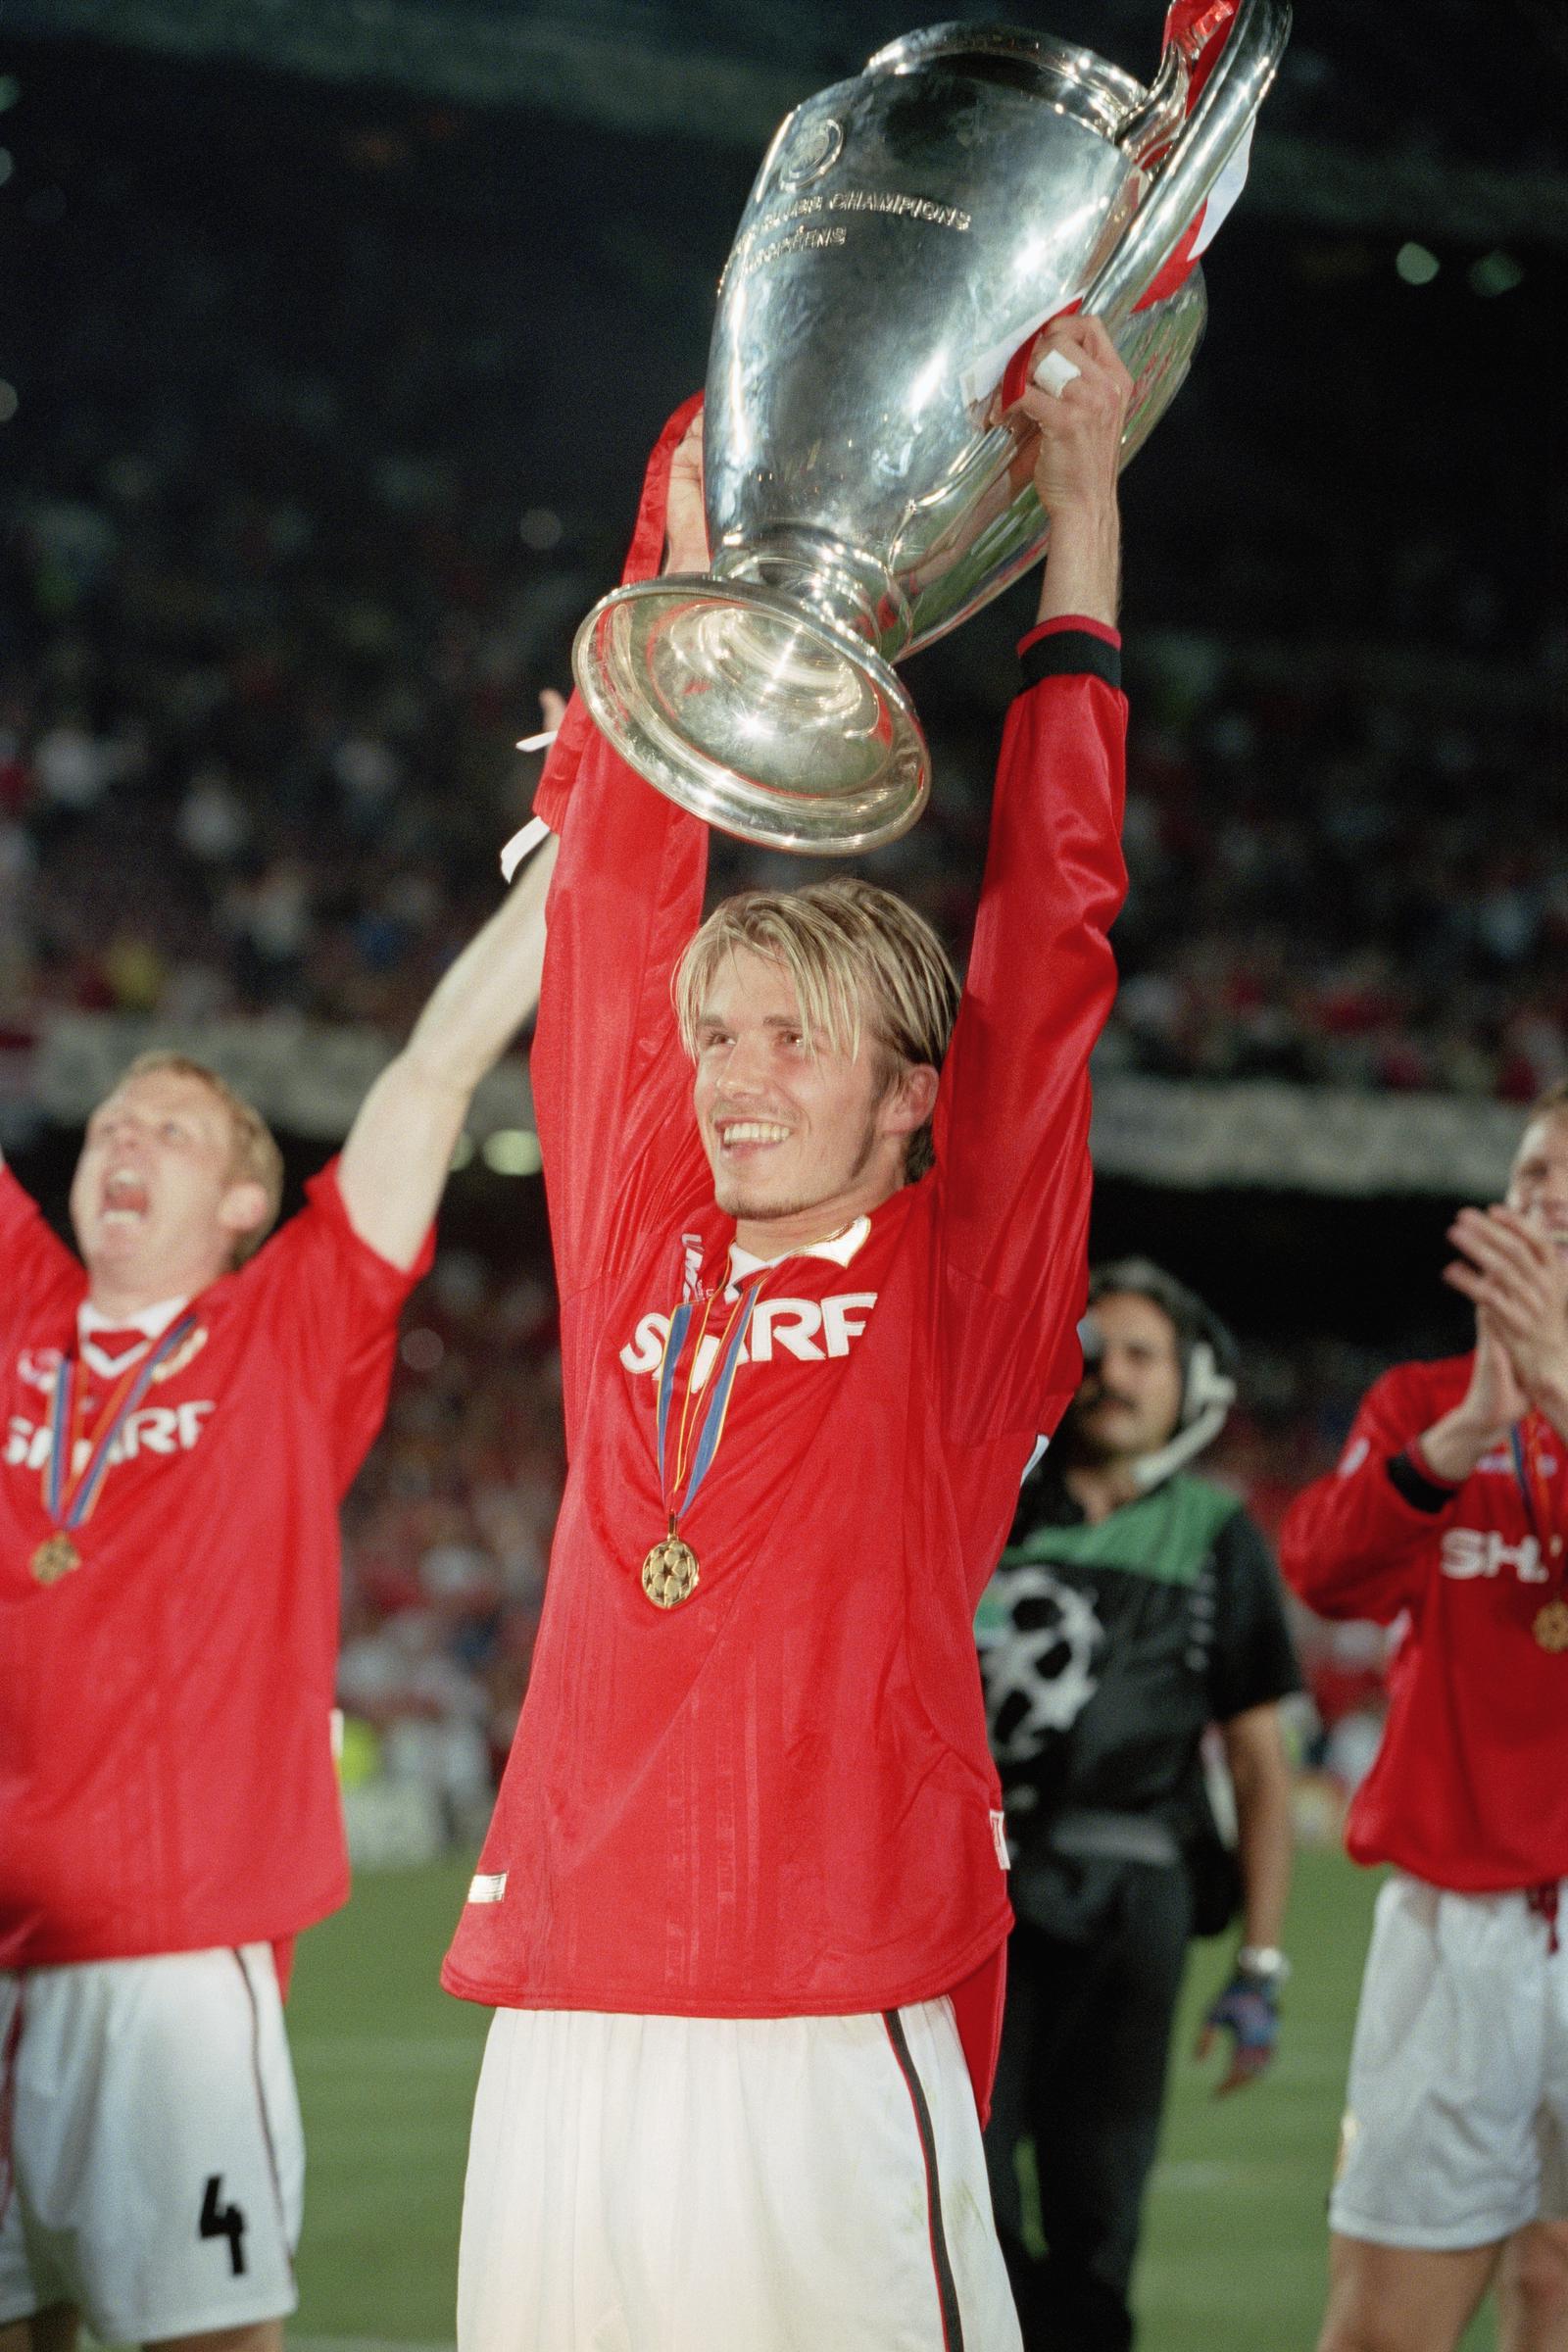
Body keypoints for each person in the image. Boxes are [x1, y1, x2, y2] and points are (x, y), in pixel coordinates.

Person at [439, 313, 1132, 2352]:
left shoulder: (957, 1290)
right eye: (716, 1038)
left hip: (831, 2000)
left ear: (910, 1090)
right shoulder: (637, 1253)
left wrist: (1078, 515)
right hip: (567, 2002)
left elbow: (1050, 921)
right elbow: (613, 905)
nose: (732, 1078)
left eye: (795, 1040)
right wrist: (668, 541)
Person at [0, 830, 559, 2352]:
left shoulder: (289, 1333)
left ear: (249, 1204)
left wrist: (590, 838)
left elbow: (438, 1069)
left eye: (174, 1131)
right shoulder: (21, 1307)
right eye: (114, 1119)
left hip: (172, 1968)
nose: (125, 1140)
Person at [1280, 1080, 1568, 2352]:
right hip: (1456, 1929)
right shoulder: (1420, 1406)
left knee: (1553, 2290)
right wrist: (1459, 1441)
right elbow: (1320, 1570)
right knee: (1382, 2334)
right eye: (1531, 1177)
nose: (1544, 1198)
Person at [977, 1257, 1300, 2351]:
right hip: (975, 1898)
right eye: (1092, 1352)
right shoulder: (984, 1507)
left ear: (1189, 1379)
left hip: (1135, 1906)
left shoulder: (1217, 1537)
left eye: (1138, 1354)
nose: (1108, 1374)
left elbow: (1261, 1767)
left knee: (1097, 2211)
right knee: (960, 2194)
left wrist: (1259, 1965)